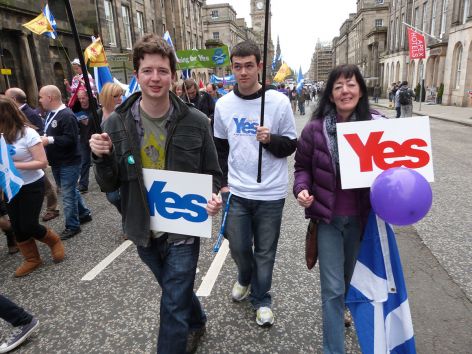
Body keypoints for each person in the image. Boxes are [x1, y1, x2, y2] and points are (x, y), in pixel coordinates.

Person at [90, 33, 223, 354]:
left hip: (183, 228)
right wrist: (100, 157)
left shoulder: (196, 121)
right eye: (148, 70)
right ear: (136, 75)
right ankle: (197, 319)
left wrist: (214, 196)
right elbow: (109, 185)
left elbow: (213, 174)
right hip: (142, 228)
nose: (155, 78)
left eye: (162, 70)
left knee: (171, 304)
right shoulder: (116, 125)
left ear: (173, 76)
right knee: (173, 290)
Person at [293, 64, 382, 354]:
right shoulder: (315, 130)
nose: (345, 91)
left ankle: (343, 305)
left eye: (351, 84)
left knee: (346, 279)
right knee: (331, 289)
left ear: (360, 90)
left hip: (361, 219)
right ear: (330, 95)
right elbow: (302, 167)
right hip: (327, 219)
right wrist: (302, 189)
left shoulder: (376, 125)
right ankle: (333, 349)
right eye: (338, 86)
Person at [213, 40, 297, 327]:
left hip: (271, 193)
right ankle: (244, 276)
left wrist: (270, 139)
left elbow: (291, 144)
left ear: (259, 66)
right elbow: (220, 150)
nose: (243, 72)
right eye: (237, 67)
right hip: (236, 191)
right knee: (237, 246)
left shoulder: (278, 102)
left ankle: (262, 299)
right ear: (232, 68)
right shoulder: (223, 105)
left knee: (265, 250)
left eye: (249, 66)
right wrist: (222, 186)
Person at [0, 96, 65, 277]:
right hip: (9, 186)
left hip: (31, 185)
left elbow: (42, 162)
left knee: (28, 224)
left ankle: (53, 241)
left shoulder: (27, 133)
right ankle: (32, 259)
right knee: (17, 227)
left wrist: (13, 165)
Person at [39, 85, 92, 240]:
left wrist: (48, 140)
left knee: (67, 195)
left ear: (50, 97)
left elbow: (71, 139)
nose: (40, 100)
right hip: (57, 161)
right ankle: (84, 214)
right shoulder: (51, 113)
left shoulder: (66, 115)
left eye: (41, 97)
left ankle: (72, 226)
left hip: (69, 161)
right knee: (69, 190)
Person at [4, 88, 60, 221]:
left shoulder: (29, 113)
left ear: (13, 100)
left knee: (46, 184)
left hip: (33, 155)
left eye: (41, 97)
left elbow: (39, 132)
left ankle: (53, 208)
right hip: (25, 165)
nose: (39, 100)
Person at [98, 83, 124, 214]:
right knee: (113, 197)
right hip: (106, 160)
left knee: (126, 194)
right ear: (107, 96)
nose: (120, 98)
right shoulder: (97, 115)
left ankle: (129, 223)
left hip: (123, 157)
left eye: (121, 95)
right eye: (116, 96)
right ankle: (126, 214)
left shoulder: (124, 113)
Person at [75, 89, 101, 193]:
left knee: (99, 162)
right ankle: (83, 184)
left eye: (83, 98)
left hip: (95, 138)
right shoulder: (77, 110)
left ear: (88, 97)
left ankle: (104, 180)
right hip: (84, 140)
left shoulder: (95, 108)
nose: (81, 100)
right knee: (84, 162)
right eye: (79, 98)